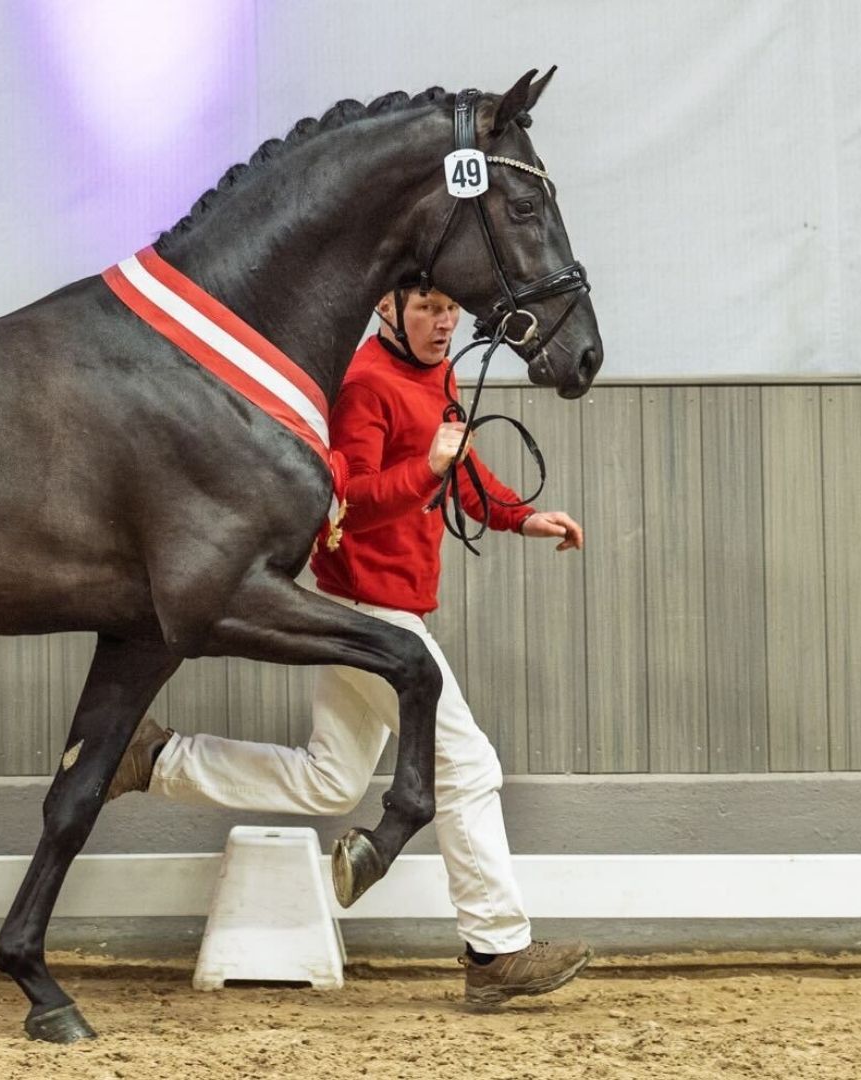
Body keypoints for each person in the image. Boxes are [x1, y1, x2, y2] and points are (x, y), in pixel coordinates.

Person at [106, 285, 591, 1005]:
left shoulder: (439, 374)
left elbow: (465, 474)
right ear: (388, 308)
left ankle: (155, 758)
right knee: (466, 766)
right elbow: (346, 504)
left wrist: (522, 518)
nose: (445, 320)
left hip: (378, 608)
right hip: (368, 612)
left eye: (449, 308)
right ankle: (496, 950)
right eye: (427, 307)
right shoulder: (365, 384)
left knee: (330, 779)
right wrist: (424, 467)